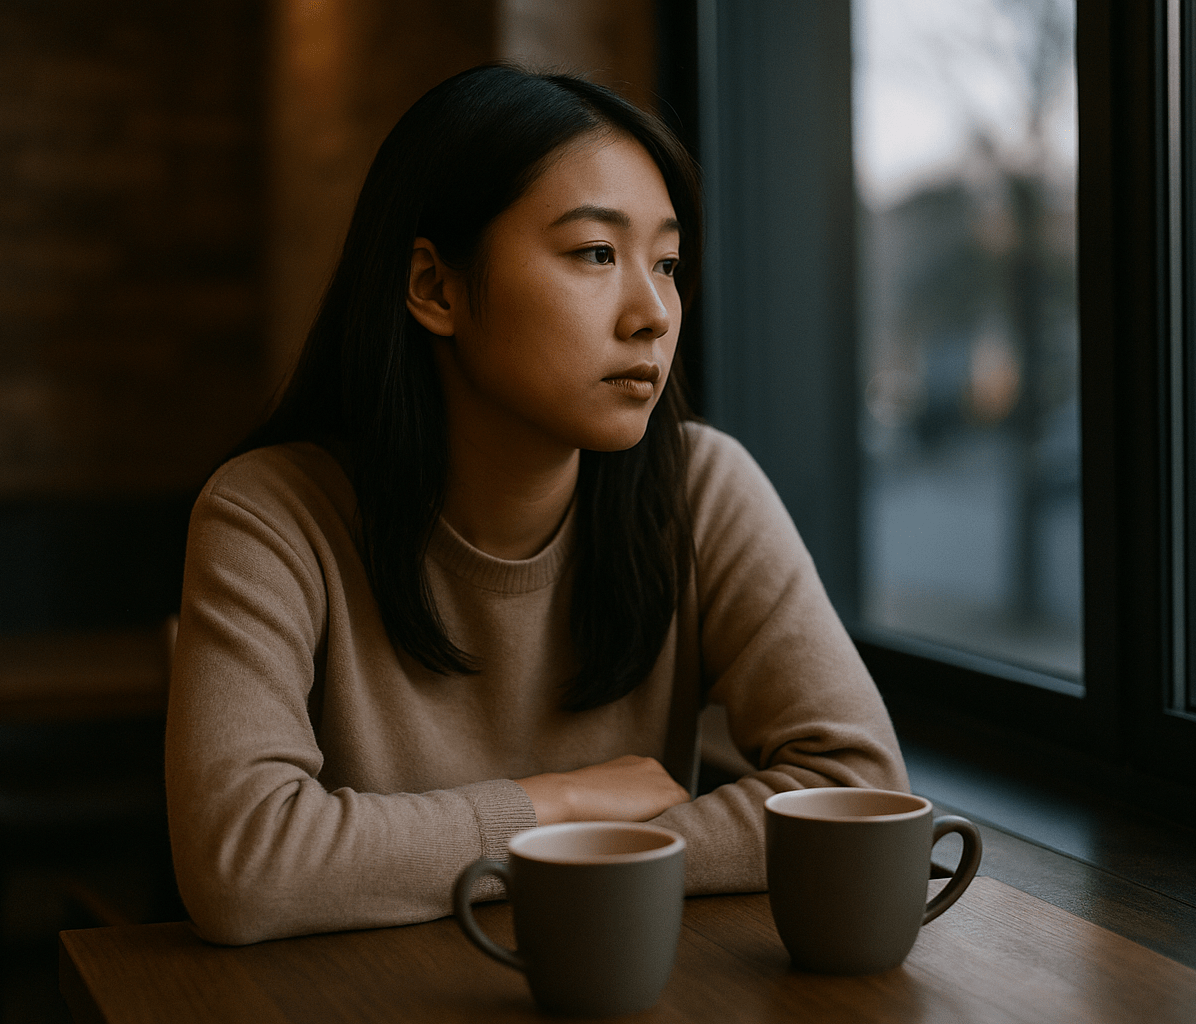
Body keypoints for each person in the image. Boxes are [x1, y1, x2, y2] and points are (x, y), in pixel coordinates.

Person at [165, 64, 907, 946]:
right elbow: (245, 868)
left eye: (666, 263)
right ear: (435, 288)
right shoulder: (271, 514)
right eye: (596, 252)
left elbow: (859, 788)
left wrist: (562, 848)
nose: (654, 314)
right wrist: (564, 802)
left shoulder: (701, 488)